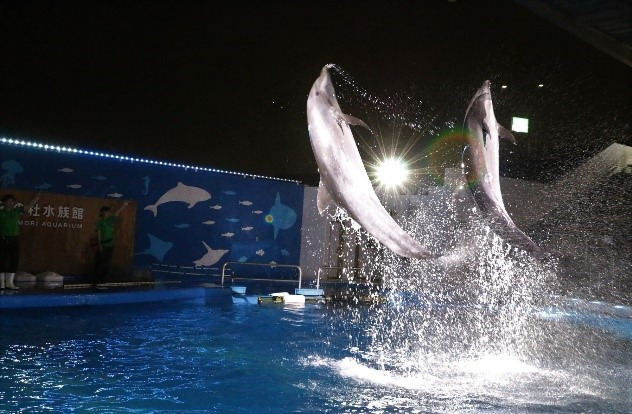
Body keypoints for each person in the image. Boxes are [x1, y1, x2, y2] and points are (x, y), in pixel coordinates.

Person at [0, 191, 41, 290]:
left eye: (12, 201)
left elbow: (27, 207)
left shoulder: (16, 211)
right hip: (2, 239)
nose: (10, 203)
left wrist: (35, 199)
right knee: (2, 260)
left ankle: (10, 283)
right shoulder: (1, 212)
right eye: (8, 201)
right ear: (3, 203)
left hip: (14, 240)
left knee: (14, 260)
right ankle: (1, 283)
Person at [93, 200, 129, 285]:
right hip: (103, 244)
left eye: (109, 212)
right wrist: (100, 244)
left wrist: (124, 205)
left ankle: (104, 279)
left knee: (108, 262)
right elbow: (99, 233)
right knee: (100, 262)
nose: (108, 213)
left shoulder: (111, 220)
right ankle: (97, 279)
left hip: (110, 245)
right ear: (102, 213)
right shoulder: (99, 222)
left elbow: (117, 212)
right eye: (106, 212)